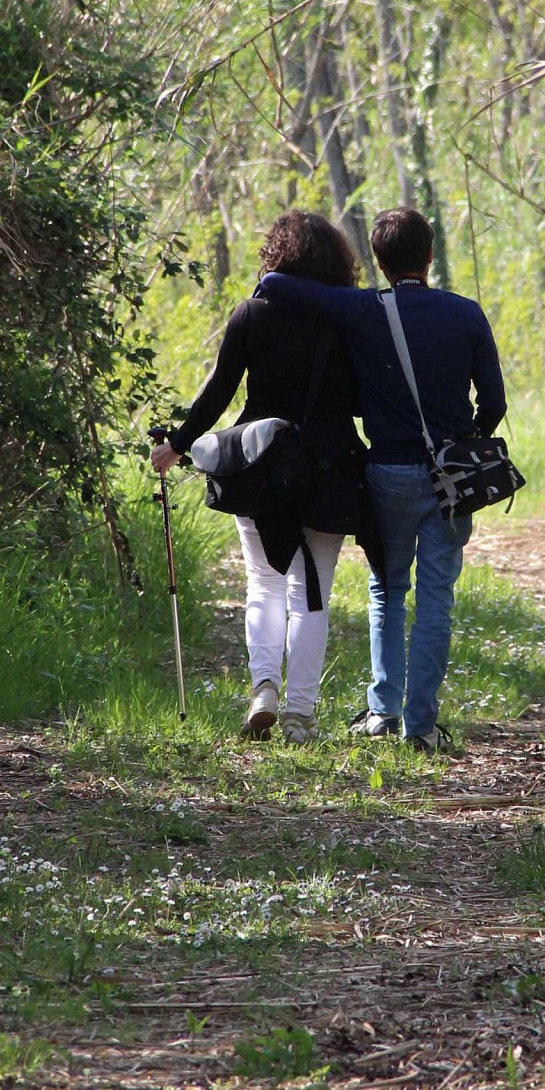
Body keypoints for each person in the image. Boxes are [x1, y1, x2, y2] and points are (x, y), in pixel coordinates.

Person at [258, 205, 506, 752]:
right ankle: (421, 726)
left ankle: (382, 712)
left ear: (378, 259)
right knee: (437, 596)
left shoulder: (366, 309)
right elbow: (494, 404)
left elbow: (277, 283)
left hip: (387, 472)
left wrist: (273, 273)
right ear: (431, 255)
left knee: (388, 589)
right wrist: (459, 445)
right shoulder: (466, 314)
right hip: (452, 478)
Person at [151, 211, 366, 744]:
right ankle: (300, 715)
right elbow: (368, 400)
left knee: (264, 583)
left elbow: (218, 391)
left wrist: (176, 447)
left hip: (258, 462)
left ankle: (264, 689)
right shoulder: (350, 320)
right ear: (337, 262)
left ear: (277, 257)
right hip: (329, 466)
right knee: (312, 591)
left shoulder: (252, 314)